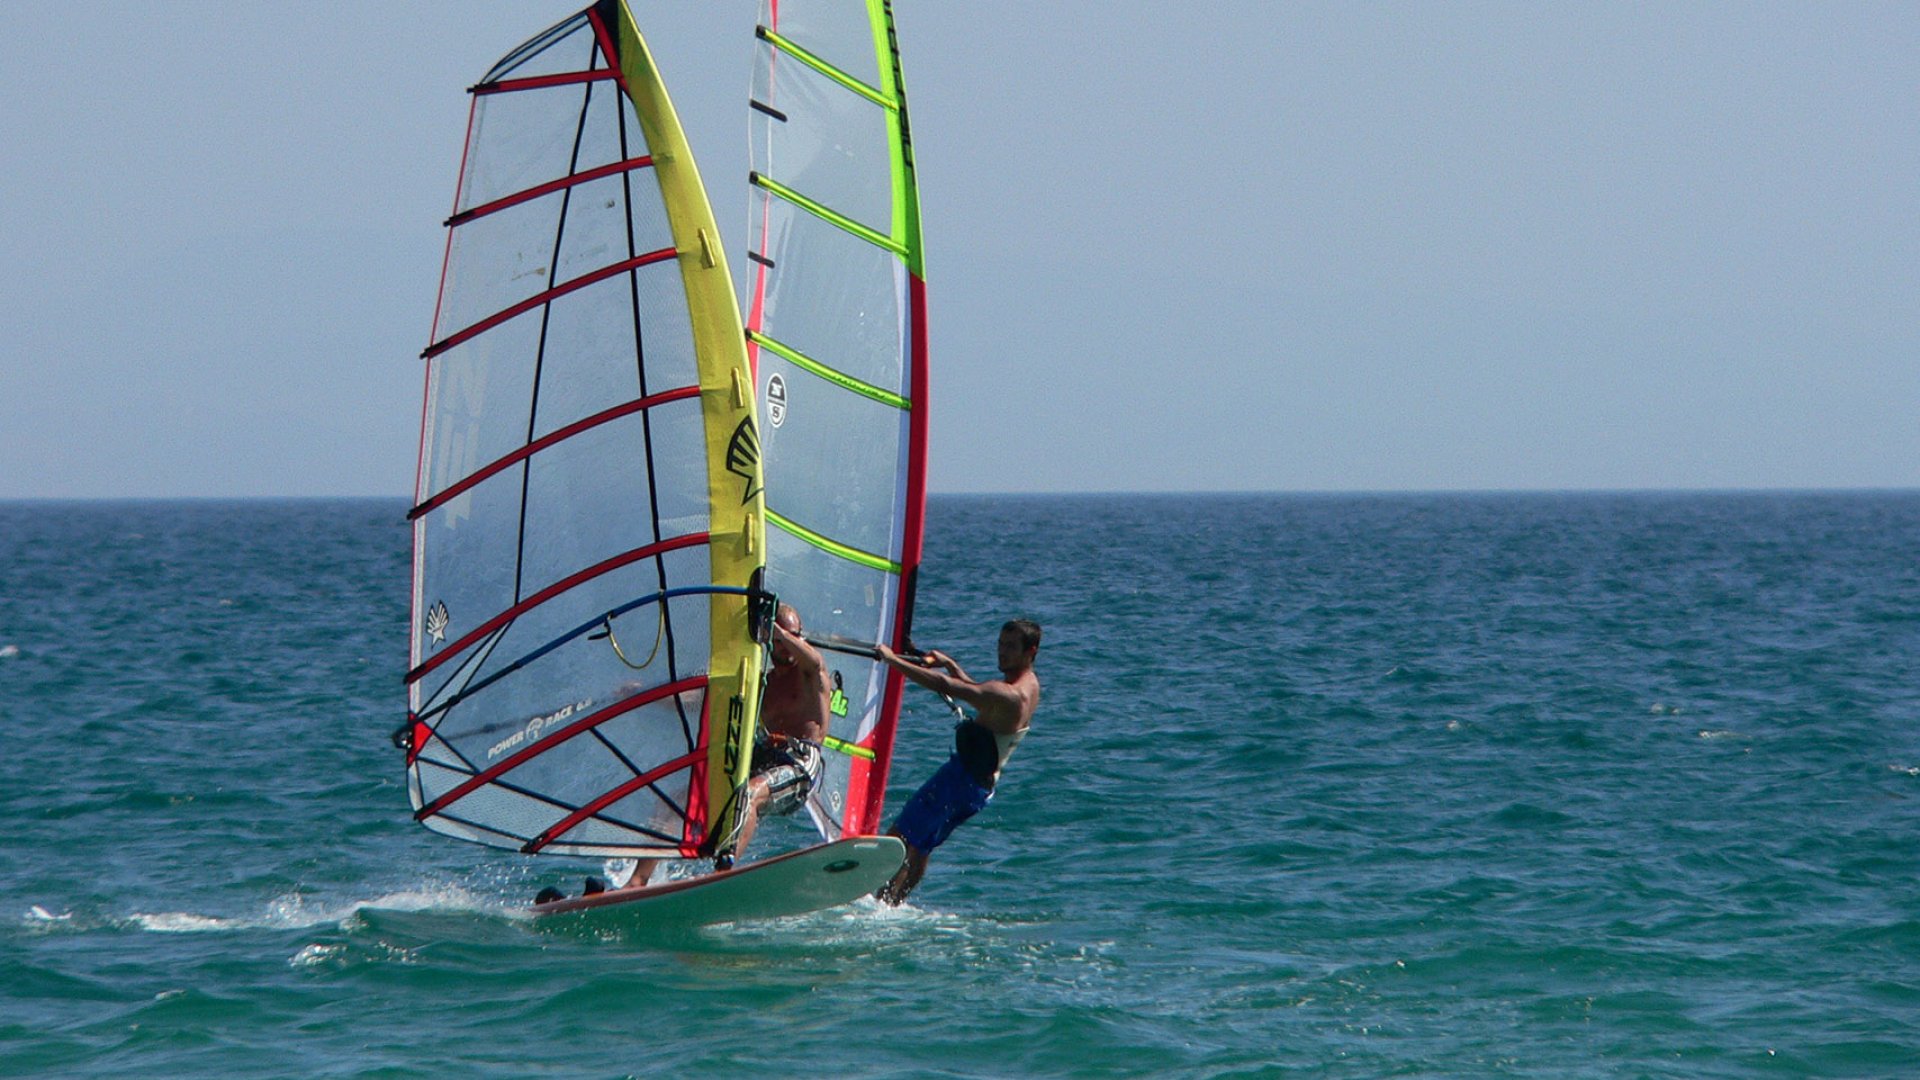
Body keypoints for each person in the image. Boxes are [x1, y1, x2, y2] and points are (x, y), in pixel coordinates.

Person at [873, 619, 1042, 905]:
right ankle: (892, 904)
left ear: (1031, 651)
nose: (1002, 652)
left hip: (959, 781)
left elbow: (946, 685)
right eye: (1000, 644)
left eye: (1011, 647)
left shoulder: (1009, 694)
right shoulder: (1029, 686)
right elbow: (979, 694)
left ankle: (880, 903)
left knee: (900, 837)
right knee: (922, 846)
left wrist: (892, 660)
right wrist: (950, 664)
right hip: (979, 788)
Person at [725, 603, 831, 863]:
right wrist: (644, 694)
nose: (786, 645)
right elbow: (701, 698)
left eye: (794, 636)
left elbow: (815, 662)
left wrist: (782, 634)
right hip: (766, 758)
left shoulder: (810, 675)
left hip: (800, 762)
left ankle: (722, 871)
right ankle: (639, 878)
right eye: (779, 640)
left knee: (749, 793)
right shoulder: (764, 684)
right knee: (688, 794)